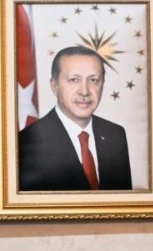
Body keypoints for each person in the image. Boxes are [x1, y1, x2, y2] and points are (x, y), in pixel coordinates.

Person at [18, 46, 132, 192]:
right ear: (54, 86)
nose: (84, 91)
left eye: (93, 80)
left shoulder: (115, 135)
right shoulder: (27, 143)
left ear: (102, 85)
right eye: (74, 80)